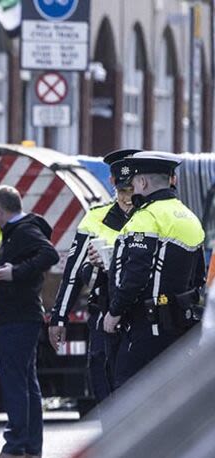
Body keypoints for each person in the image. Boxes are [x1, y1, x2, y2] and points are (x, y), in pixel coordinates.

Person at [104, 151, 206, 389]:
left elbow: (136, 274)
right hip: (180, 324)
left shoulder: (147, 217)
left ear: (143, 182)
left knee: (128, 396)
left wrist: (115, 311)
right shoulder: (189, 217)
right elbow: (198, 276)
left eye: (135, 181)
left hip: (145, 325)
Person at [49, 150, 136, 405]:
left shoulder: (149, 216)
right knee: (102, 377)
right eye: (122, 192)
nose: (127, 199)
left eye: (131, 191)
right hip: (103, 308)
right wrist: (59, 316)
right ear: (112, 184)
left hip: (137, 313)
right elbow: (73, 272)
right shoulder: (96, 217)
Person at [0, 186, 59, 458]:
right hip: (21, 315)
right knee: (27, 382)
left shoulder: (24, 230)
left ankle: (15, 446)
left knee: (16, 382)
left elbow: (49, 255)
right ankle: (30, 448)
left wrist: (14, 272)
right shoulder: (20, 230)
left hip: (18, 315)